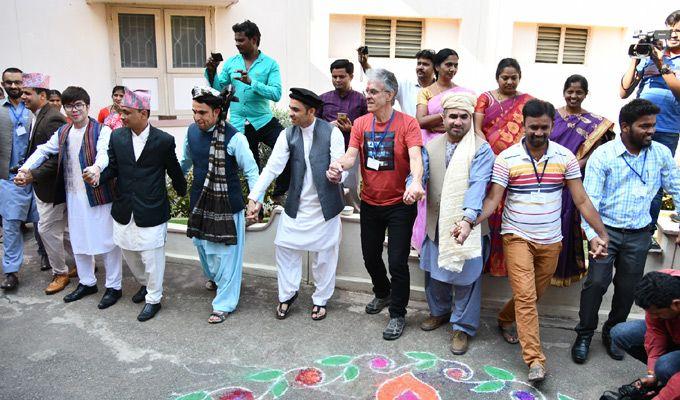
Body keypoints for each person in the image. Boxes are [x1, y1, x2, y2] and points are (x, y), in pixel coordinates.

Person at [456, 99, 609, 383]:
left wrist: (600, 233)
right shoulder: (507, 158)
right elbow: (492, 199)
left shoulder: (566, 157)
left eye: (544, 127)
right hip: (517, 236)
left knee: (533, 294)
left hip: (552, 239)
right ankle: (535, 360)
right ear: (523, 126)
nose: (538, 133)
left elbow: (581, 199)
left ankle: (504, 317)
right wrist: (470, 221)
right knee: (527, 297)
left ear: (552, 126)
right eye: (533, 127)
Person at [571, 99, 680, 364]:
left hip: (640, 233)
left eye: (653, 126)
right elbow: (590, 200)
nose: (651, 131)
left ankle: (613, 333)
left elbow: (676, 188)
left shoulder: (661, 154)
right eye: (644, 126)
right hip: (605, 230)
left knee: (628, 288)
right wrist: (593, 235)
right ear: (625, 127)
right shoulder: (604, 155)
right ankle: (584, 334)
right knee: (596, 283)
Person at [328, 68, 425, 340]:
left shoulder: (407, 124)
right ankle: (382, 293)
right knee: (370, 257)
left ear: (390, 95)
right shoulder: (360, 124)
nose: (366, 95)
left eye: (372, 91)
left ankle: (397, 313)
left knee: (397, 262)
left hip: (400, 205)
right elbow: (350, 156)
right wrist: (337, 166)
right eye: (366, 91)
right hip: (370, 202)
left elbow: (416, 159)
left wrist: (415, 182)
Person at [17, 86, 123, 308]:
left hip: (99, 196)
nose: (75, 111)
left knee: (107, 242)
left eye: (78, 105)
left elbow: (104, 153)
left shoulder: (101, 130)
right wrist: (25, 170)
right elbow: (43, 151)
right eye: (69, 106)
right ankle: (87, 282)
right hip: (73, 196)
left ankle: (114, 286)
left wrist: (96, 168)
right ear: (64, 108)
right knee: (79, 240)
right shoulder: (63, 132)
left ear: (87, 106)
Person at [248, 88, 345, 321]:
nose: (290, 113)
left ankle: (321, 299)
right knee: (285, 247)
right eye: (290, 108)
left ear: (311, 111)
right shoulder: (287, 135)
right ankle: (287, 294)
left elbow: (340, 164)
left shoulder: (332, 133)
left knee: (325, 255)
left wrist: (337, 173)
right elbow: (273, 167)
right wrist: (255, 196)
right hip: (297, 205)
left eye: (295, 109)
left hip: (325, 207)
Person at [95, 88, 186, 321]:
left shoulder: (163, 140)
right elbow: (113, 168)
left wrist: (182, 190)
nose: (122, 117)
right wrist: (97, 177)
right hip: (125, 207)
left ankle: (154, 299)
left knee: (152, 257)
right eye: (120, 112)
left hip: (152, 207)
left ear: (143, 113)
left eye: (126, 112)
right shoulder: (118, 137)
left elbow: (174, 169)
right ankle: (145, 284)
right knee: (129, 254)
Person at [416, 91, 494, 355]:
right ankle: (438, 313)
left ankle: (462, 327)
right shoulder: (430, 147)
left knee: (467, 279)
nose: (458, 122)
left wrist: (468, 219)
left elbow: (478, 186)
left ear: (470, 118)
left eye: (463, 117)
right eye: (453, 116)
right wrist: (412, 186)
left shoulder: (482, 149)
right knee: (434, 273)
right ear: (444, 117)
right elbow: (419, 174)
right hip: (436, 223)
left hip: (469, 227)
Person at [180, 86, 259, 324]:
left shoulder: (235, 138)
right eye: (194, 112)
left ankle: (224, 303)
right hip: (200, 203)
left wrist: (255, 200)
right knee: (203, 249)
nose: (197, 117)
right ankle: (217, 280)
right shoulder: (191, 133)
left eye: (202, 112)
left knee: (226, 258)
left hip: (228, 207)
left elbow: (252, 171)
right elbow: (184, 162)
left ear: (217, 111)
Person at [205, 20, 288, 203]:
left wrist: (252, 82)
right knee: (251, 168)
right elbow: (219, 89)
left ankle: (278, 193)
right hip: (238, 124)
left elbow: (276, 93)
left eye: (241, 40)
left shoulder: (270, 64)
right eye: (236, 40)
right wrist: (212, 72)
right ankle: (254, 209)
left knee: (290, 147)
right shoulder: (231, 63)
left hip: (263, 120)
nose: (237, 44)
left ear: (254, 39)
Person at [620, 10, 680, 251]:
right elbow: (624, 91)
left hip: (666, 128)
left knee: (655, 182)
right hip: (635, 125)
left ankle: (647, 234)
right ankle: (625, 227)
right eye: (671, 30)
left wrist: (660, 62)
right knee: (629, 176)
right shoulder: (651, 55)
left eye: (679, 30)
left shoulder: (665, 60)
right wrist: (635, 57)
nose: (674, 34)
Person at [550, 74, 614, 287]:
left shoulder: (595, 124)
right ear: (564, 92)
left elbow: (597, 152)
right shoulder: (552, 115)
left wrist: (577, 165)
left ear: (586, 94)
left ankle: (562, 271)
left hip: (574, 180)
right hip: (549, 177)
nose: (573, 96)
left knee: (568, 221)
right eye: (570, 91)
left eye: (579, 92)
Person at [473, 58, 534, 277]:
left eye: (513, 78)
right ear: (497, 77)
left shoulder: (527, 102)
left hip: (515, 165)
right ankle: (483, 261)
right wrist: (491, 154)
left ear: (520, 78)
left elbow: (531, 130)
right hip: (487, 162)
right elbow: (477, 128)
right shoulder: (485, 98)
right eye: (504, 77)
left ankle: (504, 264)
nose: (509, 82)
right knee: (487, 207)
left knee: (508, 211)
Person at [411, 48, 475, 252]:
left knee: (453, 190)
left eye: (456, 65)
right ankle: (425, 239)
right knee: (429, 191)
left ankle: (452, 235)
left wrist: (443, 121)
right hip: (431, 148)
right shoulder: (426, 91)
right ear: (437, 67)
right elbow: (420, 121)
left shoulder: (464, 92)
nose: (453, 69)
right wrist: (451, 114)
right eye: (449, 64)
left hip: (457, 147)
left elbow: (468, 120)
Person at [20, 73, 73, 294]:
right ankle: (79, 264)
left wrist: (33, 174)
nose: (22, 96)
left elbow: (58, 158)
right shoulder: (36, 115)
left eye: (27, 93)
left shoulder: (52, 118)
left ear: (42, 95)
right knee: (63, 230)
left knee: (46, 229)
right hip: (43, 187)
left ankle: (60, 272)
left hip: (52, 188)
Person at [611, 270, 680, 400]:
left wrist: (662, 398)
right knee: (620, 333)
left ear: (676, 304)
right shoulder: (658, 287)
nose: (653, 316)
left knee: (665, 366)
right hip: (673, 335)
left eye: (657, 314)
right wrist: (651, 374)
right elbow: (655, 334)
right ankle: (661, 378)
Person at [0, 67, 36, 290]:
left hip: (36, 176)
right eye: (9, 82)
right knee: (12, 225)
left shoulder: (32, 110)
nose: (13, 86)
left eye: (17, 82)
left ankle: (51, 263)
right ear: (2, 84)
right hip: (10, 179)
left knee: (44, 224)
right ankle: (11, 272)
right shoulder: (0, 111)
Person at [316, 59, 368, 212]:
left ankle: (354, 222)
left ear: (351, 76)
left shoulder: (361, 100)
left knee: (350, 189)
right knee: (327, 186)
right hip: (326, 152)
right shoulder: (323, 99)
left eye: (341, 76)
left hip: (351, 152)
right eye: (334, 77)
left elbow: (369, 128)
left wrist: (352, 129)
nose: (337, 80)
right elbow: (313, 126)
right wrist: (328, 127)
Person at [358, 48, 436, 117]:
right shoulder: (405, 85)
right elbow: (379, 80)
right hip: (408, 132)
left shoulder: (441, 88)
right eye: (419, 63)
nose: (420, 67)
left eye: (425, 64)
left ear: (435, 67)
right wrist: (364, 64)